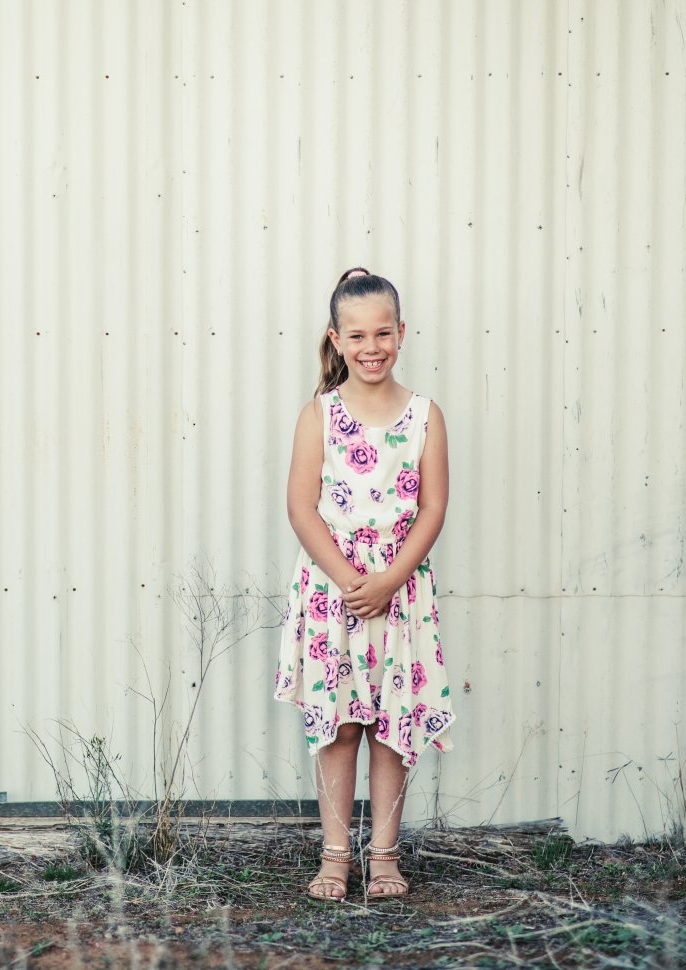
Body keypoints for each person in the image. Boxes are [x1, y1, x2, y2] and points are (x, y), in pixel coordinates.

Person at [273, 267, 456, 902]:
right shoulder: (319, 415)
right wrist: (353, 580)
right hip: (335, 590)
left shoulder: (425, 415)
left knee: (390, 724)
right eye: (357, 336)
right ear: (336, 339)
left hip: (400, 591)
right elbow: (301, 508)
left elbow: (432, 507)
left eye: (382, 333)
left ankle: (383, 857)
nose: (371, 347)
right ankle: (334, 858)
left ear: (401, 333)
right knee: (340, 726)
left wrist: (389, 580)